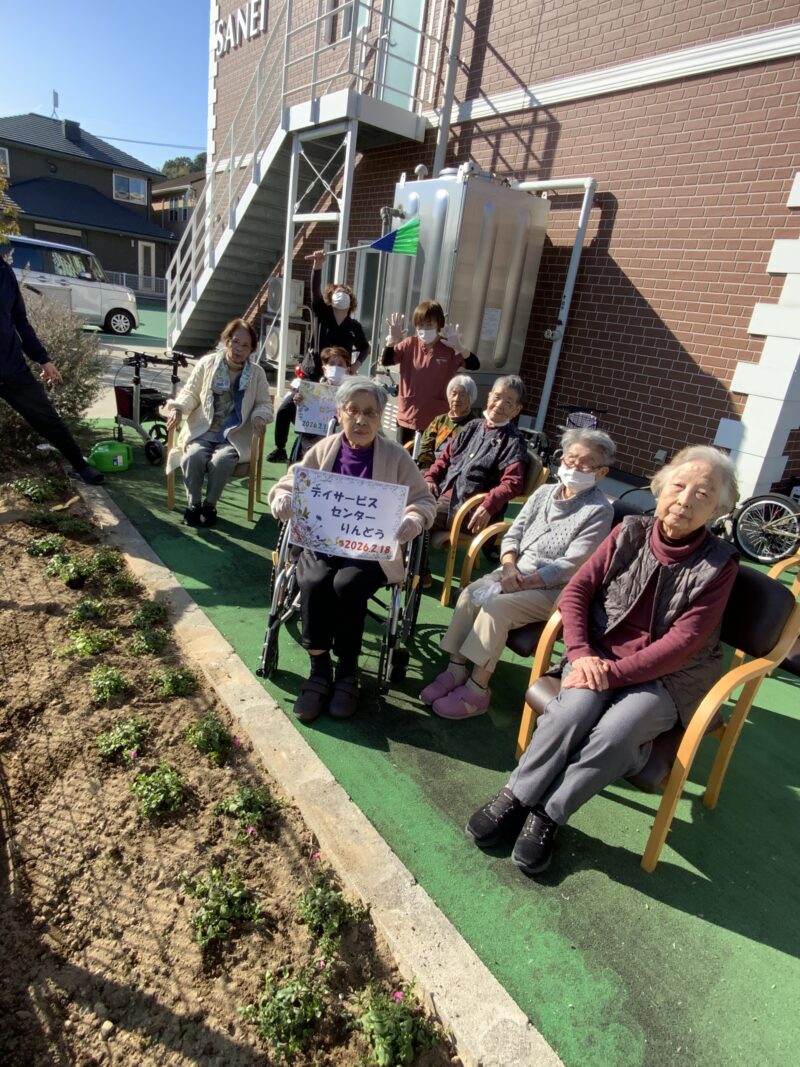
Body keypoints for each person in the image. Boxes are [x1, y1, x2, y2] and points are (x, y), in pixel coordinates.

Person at [466, 445, 739, 876]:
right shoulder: (628, 530)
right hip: (597, 653)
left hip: (669, 678)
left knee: (618, 731)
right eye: (679, 486)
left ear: (719, 508)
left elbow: (683, 644)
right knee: (569, 713)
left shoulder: (720, 566)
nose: (685, 500)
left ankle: (549, 814)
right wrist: (580, 653)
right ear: (660, 487)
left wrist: (609, 674)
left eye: (702, 494)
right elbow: (577, 592)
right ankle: (516, 795)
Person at [268, 377, 436, 722]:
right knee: (313, 581)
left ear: (380, 419)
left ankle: (347, 672)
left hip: (371, 550)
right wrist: (282, 498)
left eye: (370, 413)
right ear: (340, 412)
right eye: (353, 411)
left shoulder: (396, 456)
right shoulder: (323, 448)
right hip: (322, 541)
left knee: (347, 585)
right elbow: (290, 482)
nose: (361, 420)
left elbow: (423, 500)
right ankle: (319, 670)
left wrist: (414, 519)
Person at [423, 428, 616, 719]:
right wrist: (510, 567)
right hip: (514, 572)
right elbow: (513, 534)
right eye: (570, 459)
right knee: (471, 595)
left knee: (496, 607)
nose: (574, 468)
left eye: (585, 464)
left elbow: (573, 564)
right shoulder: (544, 492)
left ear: (600, 473)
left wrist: (526, 581)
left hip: (552, 589)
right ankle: (456, 669)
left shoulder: (598, 510)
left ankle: (478, 690)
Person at [0, 254, 103, 484]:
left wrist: (42, 358)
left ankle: (81, 465)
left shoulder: (4, 273)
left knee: (47, 419)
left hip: (11, 367)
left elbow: (20, 321)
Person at [165, 318, 272, 528]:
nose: (239, 349)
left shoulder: (256, 373)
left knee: (221, 461)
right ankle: (193, 505)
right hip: (203, 430)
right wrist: (178, 407)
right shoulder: (208, 363)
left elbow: (264, 404)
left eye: (245, 345)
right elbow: (191, 393)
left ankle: (210, 506)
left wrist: (259, 416)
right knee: (193, 456)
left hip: (233, 436)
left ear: (251, 349)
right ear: (227, 340)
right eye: (235, 341)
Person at [267, 250, 369, 462]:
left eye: (346, 292)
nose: (341, 294)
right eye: (337, 291)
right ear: (331, 297)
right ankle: (281, 447)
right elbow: (314, 292)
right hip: (311, 374)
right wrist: (318, 266)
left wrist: (355, 366)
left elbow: (365, 348)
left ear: (351, 301)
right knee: (286, 409)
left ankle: (332, 455)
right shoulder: (321, 315)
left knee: (332, 418)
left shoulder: (354, 326)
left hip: (338, 381)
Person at [423, 375, 528, 536]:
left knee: (417, 518)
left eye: (508, 402)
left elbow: (512, 483)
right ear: (489, 396)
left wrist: (489, 505)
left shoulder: (513, 441)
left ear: (516, 410)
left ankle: (407, 560)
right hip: (442, 490)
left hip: (466, 507)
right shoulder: (473, 426)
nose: (499, 405)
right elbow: (445, 457)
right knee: (401, 499)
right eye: (497, 397)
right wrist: (431, 477)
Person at [382, 300, 479, 444]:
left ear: (438, 325)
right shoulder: (410, 343)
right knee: (404, 461)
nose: (424, 329)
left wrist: (460, 347)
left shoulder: (448, 346)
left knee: (429, 462)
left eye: (429, 324)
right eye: (420, 325)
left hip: (437, 418)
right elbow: (387, 361)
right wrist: (392, 342)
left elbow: (474, 365)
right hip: (408, 415)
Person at [288, 346, 351, 461]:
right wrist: (300, 404)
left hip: (341, 447)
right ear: (324, 369)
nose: (336, 367)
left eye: (340, 364)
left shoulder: (352, 394)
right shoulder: (311, 391)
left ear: (347, 369)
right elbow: (300, 421)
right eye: (331, 364)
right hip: (312, 444)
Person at [416, 374, 478, 470]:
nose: (456, 399)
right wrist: (428, 468)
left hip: (456, 470)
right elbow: (425, 445)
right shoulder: (439, 420)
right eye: (453, 394)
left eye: (462, 395)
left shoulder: (475, 425)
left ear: (470, 398)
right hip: (432, 467)